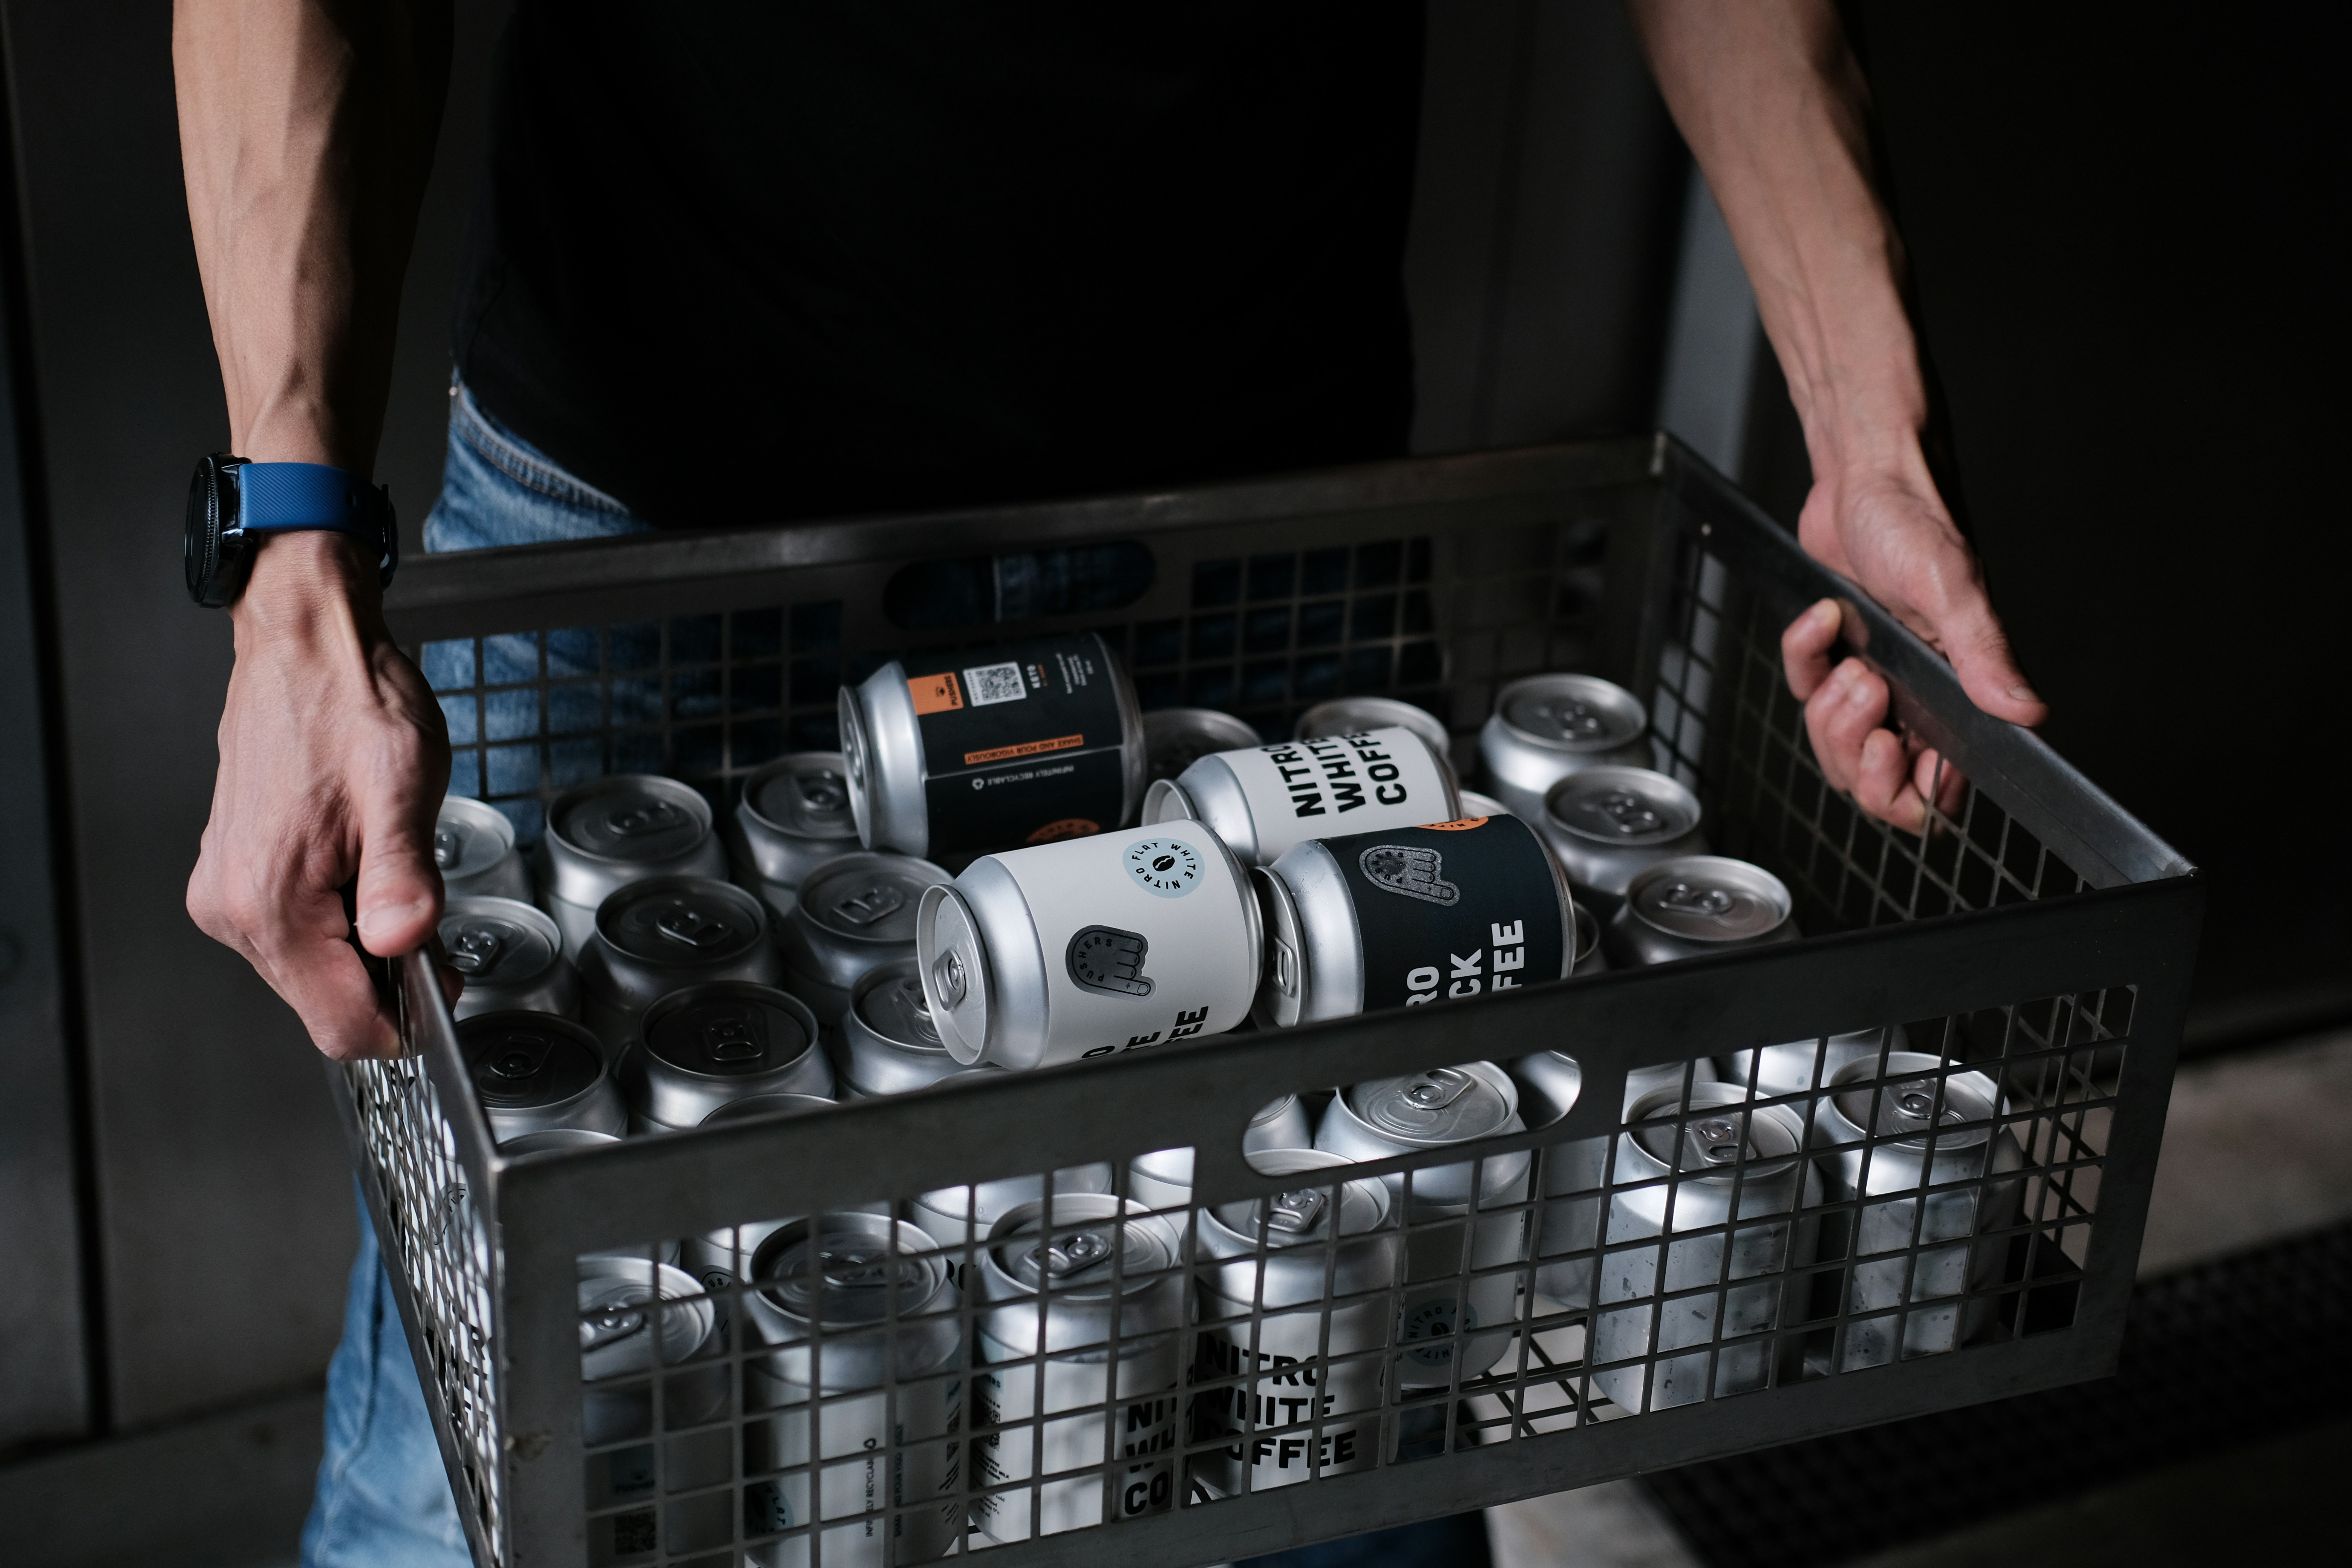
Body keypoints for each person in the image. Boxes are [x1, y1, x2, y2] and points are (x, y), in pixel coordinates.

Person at [172, 3, 2045, 1564]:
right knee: (496, 1454)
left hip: (1266, 539)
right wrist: (291, 547)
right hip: (653, 528)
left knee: (1328, 1432)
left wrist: (1874, 426)